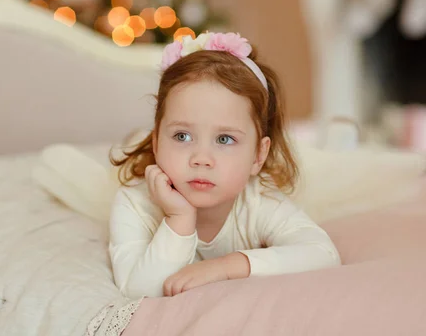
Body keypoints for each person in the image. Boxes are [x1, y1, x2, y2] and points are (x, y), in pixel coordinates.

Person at [109, 32, 341, 299]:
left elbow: (322, 253)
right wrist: (178, 220)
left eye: (224, 139)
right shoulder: (134, 203)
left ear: (258, 155)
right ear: (157, 142)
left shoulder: (257, 199)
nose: (201, 158)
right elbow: (138, 290)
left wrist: (228, 267)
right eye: (182, 136)